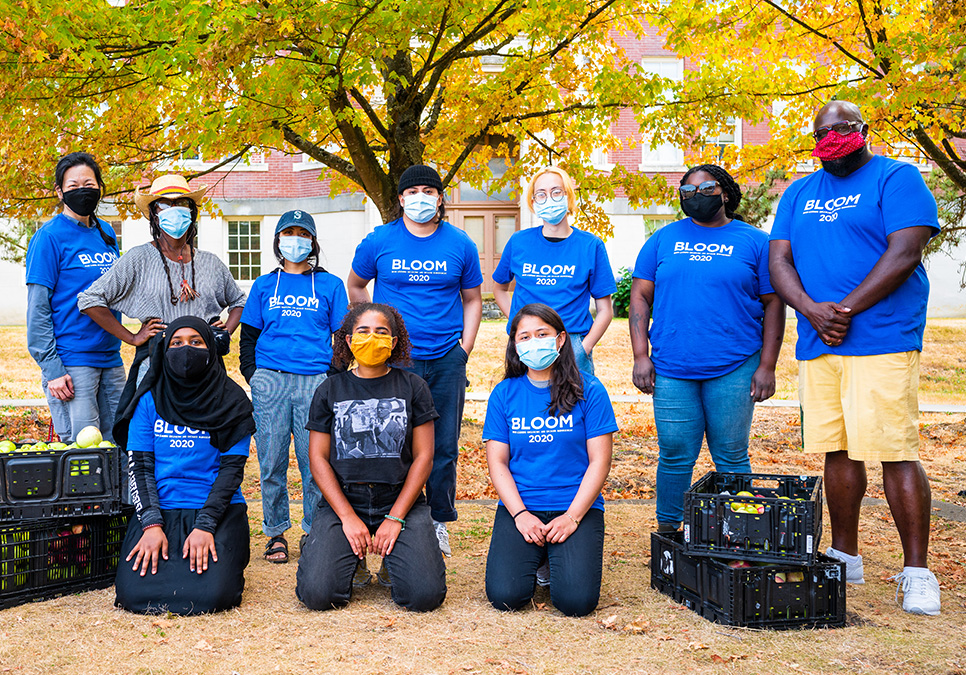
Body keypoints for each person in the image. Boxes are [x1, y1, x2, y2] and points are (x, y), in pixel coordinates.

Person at [769, 100, 941, 615]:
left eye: (842, 128)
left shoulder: (897, 178)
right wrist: (811, 311)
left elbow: (905, 251)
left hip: (883, 338)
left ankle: (917, 572)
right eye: (821, 131)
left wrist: (844, 309)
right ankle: (845, 555)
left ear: (863, 130)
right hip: (820, 341)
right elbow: (779, 261)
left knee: (894, 448)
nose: (831, 137)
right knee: (838, 450)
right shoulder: (799, 191)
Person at [629, 164, 785, 533]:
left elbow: (774, 303)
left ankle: (738, 533)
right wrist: (640, 355)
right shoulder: (662, 239)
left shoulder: (754, 241)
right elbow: (640, 296)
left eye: (706, 188)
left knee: (731, 455)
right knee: (675, 454)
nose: (696, 196)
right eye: (687, 191)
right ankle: (669, 530)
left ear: (726, 193)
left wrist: (768, 365)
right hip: (671, 367)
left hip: (735, 365)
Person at [347, 165, 483, 556]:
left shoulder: (460, 243)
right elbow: (355, 284)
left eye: (429, 190)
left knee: (442, 445)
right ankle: (393, 516)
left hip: (445, 359)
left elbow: (473, 298)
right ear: (401, 199)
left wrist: (465, 348)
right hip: (395, 360)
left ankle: (438, 520)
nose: (421, 197)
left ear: (440, 198)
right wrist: (374, 332)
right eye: (413, 191)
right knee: (392, 442)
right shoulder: (379, 240)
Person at [296, 303, 446, 612]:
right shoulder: (329, 389)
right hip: (344, 501)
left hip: (399, 499)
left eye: (381, 332)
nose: (372, 338)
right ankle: (353, 562)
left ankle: (394, 562)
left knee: (424, 597)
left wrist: (395, 517)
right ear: (349, 341)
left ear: (393, 342)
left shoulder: (414, 387)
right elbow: (318, 459)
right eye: (363, 331)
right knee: (317, 595)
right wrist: (348, 518)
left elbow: (424, 457)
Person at [112, 317, 256, 615]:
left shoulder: (232, 401)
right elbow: (139, 467)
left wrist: (205, 526)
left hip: (216, 510)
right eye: (176, 343)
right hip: (159, 509)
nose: (186, 349)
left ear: (211, 349)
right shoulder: (149, 400)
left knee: (212, 597)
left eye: (196, 342)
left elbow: (231, 472)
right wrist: (150, 524)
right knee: (133, 595)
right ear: (164, 349)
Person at [483, 303, 616, 617]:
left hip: (576, 506)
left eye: (542, 334)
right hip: (522, 507)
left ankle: (554, 554)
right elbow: (498, 463)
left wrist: (572, 517)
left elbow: (600, 462)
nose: (533, 342)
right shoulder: (504, 394)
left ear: (560, 340)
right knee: (505, 597)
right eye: (524, 337)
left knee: (575, 603)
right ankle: (540, 555)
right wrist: (519, 515)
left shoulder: (590, 390)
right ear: (515, 346)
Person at [239, 209, 348, 563]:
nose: (295, 240)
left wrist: (332, 377)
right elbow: (249, 335)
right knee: (270, 460)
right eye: (289, 233)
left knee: (312, 461)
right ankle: (275, 533)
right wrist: (252, 372)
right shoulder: (262, 285)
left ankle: (314, 531)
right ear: (278, 240)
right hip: (270, 378)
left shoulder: (330, 285)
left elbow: (343, 336)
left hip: (314, 380)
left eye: (303, 234)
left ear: (313, 241)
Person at [78, 174, 246, 400]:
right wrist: (132, 337)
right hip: (157, 364)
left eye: (181, 203)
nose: (174, 209)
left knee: (205, 432)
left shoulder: (210, 262)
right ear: (154, 216)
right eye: (165, 204)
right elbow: (90, 300)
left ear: (192, 212)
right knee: (156, 429)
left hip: (206, 366)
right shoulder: (139, 258)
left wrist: (223, 332)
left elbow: (240, 301)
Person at [25, 152, 124, 443]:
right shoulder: (49, 237)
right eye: (73, 185)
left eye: (89, 182)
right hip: (72, 362)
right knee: (84, 452)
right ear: (60, 191)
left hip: (111, 357)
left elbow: (116, 290)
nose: (82, 190)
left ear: (99, 186)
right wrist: (52, 370)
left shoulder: (106, 232)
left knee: (121, 444)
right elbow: (37, 309)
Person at [493, 166, 616, 374]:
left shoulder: (590, 246)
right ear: (533, 202)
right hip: (526, 343)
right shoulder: (519, 242)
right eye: (541, 194)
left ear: (568, 196)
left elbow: (605, 310)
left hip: (572, 342)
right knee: (524, 404)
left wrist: (583, 349)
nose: (549, 198)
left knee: (574, 405)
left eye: (556, 192)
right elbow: (499, 289)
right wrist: (518, 323)